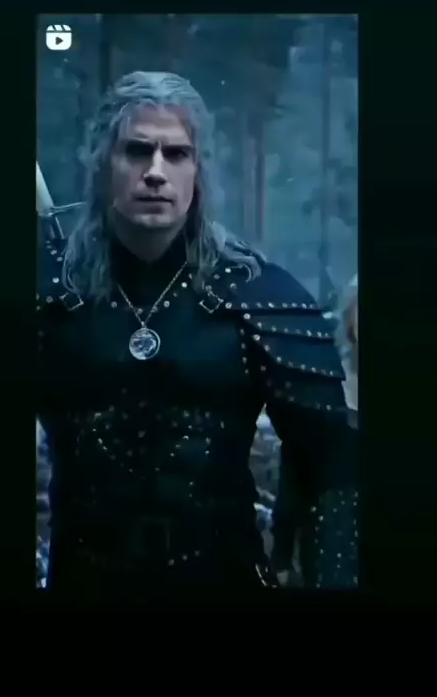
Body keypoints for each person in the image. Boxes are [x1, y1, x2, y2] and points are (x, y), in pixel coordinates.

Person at [37, 71, 358, 601]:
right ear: (102, 165)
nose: (155, 172)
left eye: (176, 154)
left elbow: (333, 469)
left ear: (198, 171)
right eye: (136, 151)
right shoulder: (49, 296)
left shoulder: (260, 297)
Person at [271, 274, 359, 587]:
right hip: (331, 545)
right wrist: (281, 554)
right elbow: (295, 471)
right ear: (350, 317)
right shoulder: (320, 385)